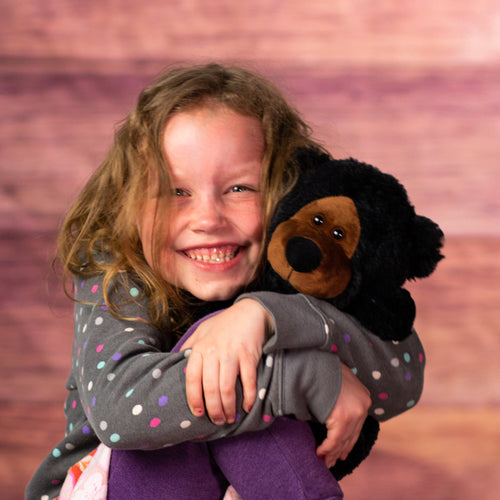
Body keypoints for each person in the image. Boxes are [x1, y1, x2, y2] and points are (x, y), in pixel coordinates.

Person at [26, 63, 425, 500]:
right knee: (216, 355)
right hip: (108, 487)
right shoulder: (119, 266)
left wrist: (268, 315)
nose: (207, 219)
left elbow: (401, 379)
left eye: (240, 189)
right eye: (176, 192)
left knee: (238, 358)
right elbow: (122, 412)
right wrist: (304, 375)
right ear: (130, 202)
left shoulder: (293, 260)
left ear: (287, 189)